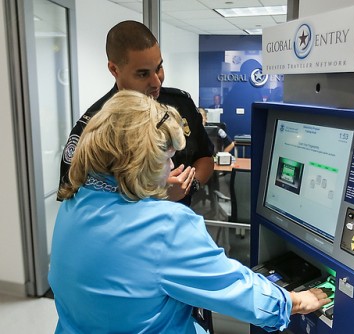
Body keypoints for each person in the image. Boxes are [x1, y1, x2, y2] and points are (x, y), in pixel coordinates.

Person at [49, 90, 330, 334]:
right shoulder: (165, 226)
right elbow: (233, 288)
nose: (171, 168)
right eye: (167, 157)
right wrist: (293, 302)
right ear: (139, 161)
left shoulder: (74, 201)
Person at [58, 20, 214, 206]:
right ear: (114, 69)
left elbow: (204, 156)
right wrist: (157, 194)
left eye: (159, 68)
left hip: (178, 218)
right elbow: (75, 198)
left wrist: (190, 185)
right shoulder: (95, 124)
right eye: (143, 74)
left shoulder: (180, 103)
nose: (157, 82)